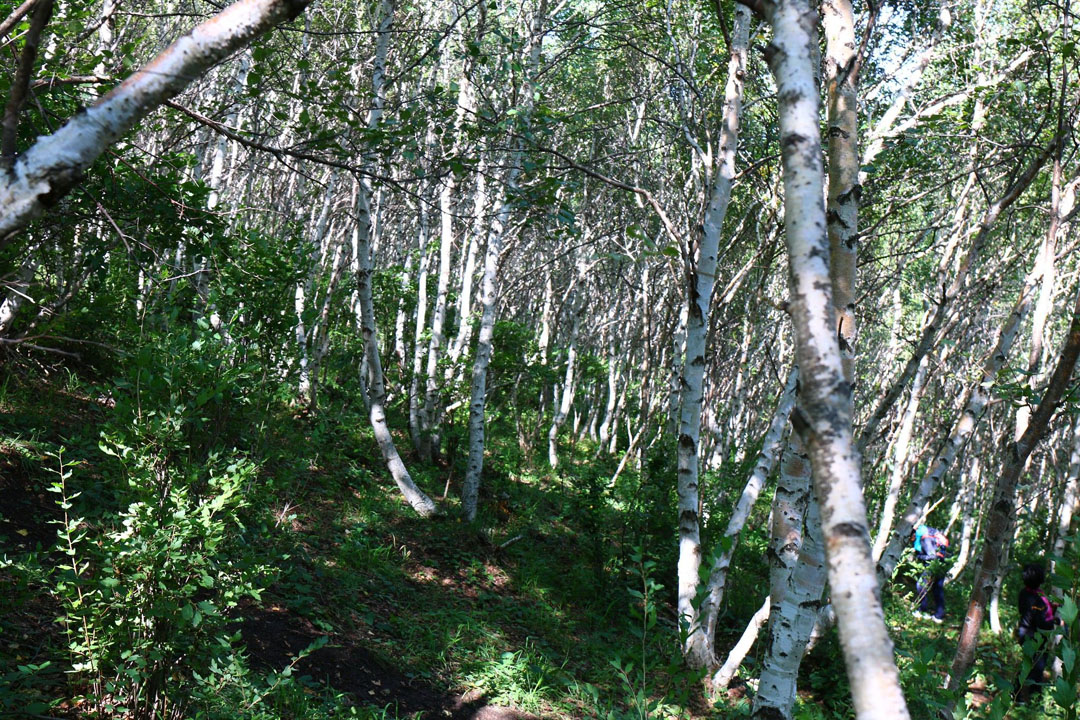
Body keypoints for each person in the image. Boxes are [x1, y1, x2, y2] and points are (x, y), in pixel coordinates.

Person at [1014, 562, 1059, 704]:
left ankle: (1019, 693)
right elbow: (1040, 620)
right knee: (1036, 668)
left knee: (1029, 665)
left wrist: (1051, 607)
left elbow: (1035, 611)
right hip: (1034, 636)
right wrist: (1055, 622)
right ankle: (1032, 697)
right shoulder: (1036, 599)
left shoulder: (1027, 593)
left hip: (1026, 633)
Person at [912, 524, 948, 623]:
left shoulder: (925, 539)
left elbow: (931, 556)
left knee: (920, 585)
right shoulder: (932, 535)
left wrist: (921, 558)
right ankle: (939, 615)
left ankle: (922, 610)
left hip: (933, 565)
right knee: (937, 589)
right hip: (942, 564)